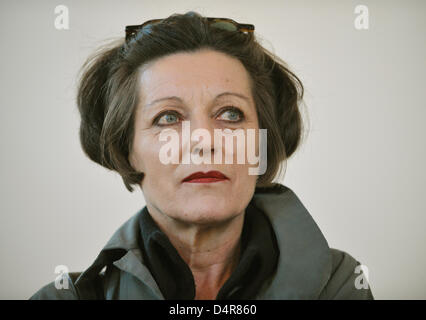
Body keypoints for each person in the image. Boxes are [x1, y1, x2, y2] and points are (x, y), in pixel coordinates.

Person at [30, 11, 373, 300]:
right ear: (126, 151)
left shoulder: (340, 285)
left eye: (230, 114)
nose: (204, 141)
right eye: (168, 117)